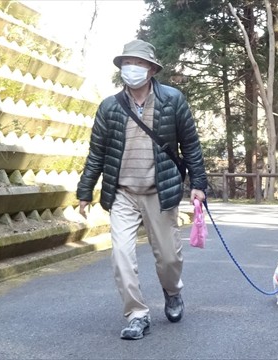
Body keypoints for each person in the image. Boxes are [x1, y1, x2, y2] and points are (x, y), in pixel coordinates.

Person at [76, 39, 207, 340]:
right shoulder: (109, 107)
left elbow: (190, 146)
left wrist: (198, 184)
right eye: (126, 63)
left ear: (150, 69)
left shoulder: (172, 100)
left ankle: (172, 292)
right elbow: (96, 152)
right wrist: (85, 191)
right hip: (122, 193)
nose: (131, 68)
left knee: (169, 258)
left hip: (159, 192)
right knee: (121, 255)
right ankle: (136, 314)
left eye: (137, 63)